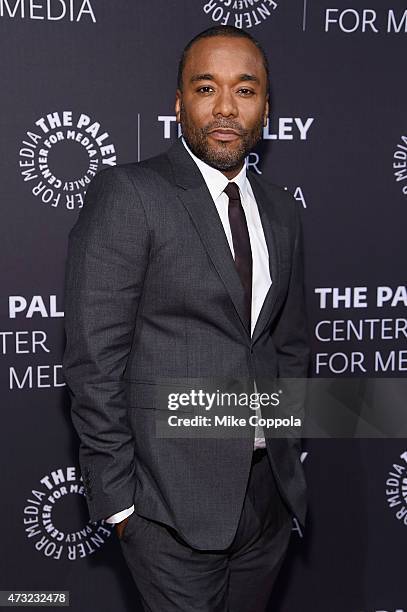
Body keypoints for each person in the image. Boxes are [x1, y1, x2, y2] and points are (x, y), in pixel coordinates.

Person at [63, 25, 310, 612]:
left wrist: (290, 450)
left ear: (266, 108)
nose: (225, 108)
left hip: (265, 500)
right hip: (167, 509)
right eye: (206, 88)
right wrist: (122, 508)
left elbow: (290, 344)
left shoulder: (281, 209)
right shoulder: (130, 194)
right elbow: (94, 363)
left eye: (245, 91)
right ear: (179, 103)